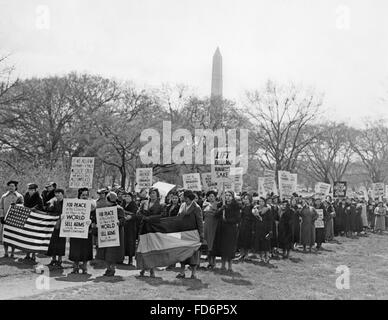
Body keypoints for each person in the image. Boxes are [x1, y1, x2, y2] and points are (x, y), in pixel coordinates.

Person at [95, 192, 126, 276]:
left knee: (113, 252)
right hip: (106, 234)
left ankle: (112, 268)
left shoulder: (119, 209)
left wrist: (118, 222)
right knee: (106, 252)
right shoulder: (105, 209)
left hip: (115, 235)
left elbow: (123, 220)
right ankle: (108, 268)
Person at [176, 190, 204, 279]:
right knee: (183, 253)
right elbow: (178, 217)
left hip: (193, 234)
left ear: (187, 197)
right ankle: (182, 272)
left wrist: (201, 234)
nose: (181, 197)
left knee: (193, 253)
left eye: (183, 196)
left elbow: (200, 222)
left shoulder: (196, 207)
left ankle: (193, 273)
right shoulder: (182, 205)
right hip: (183, 233)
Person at [212, 191, 241, 272]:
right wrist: (222, 209)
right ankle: (223, 265)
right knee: (223, 247)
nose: (227, 197)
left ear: (232, 197)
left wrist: (227, 220)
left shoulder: (236, 206)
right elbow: (215, 215)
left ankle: (230, 267)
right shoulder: (221, 204)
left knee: (230, 248)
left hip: (231, 229)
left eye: (229, 195)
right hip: (222, 229)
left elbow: (237, 218)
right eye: (226, 195)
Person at [138, 188, 164, 277]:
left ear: (157, 194)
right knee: (144, 248)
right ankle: (143, 268)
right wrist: (144, 217)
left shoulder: (161, 204)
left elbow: (162, 215)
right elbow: (139, 212)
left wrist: (150, 218)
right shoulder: (144, 203)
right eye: (151, 193)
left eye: (154, 193)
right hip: (144, 228)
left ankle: (152, 269)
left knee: (153, 249)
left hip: (154, 229)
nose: (152, 195)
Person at [68, 188, 95, 274]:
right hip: (75, 230)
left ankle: (84, 267)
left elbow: (94, 217)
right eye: (83, 195)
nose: (85, 197)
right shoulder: (73, 204)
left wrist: (92, 221)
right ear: (79, 195)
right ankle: (75, 267)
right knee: (75, 248)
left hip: (87, 231)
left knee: (86, 249)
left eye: (86, 195)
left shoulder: (92, 205)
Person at [0, 180, 24, 258]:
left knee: (13, 236)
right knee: (5, 236)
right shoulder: (4, 196)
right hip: (5, 219)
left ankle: (12, 253)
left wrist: (16, 205)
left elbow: (22, 207)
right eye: (9, 186)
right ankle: (6, 253)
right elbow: (1, 207)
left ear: (16, 187)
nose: (11, 187)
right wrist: (1, 216)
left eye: (12, 186)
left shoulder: (19, 196)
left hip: (14, 219)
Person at [23, 183, 44, 262]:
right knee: (27, 236)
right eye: (29, 189)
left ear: (35, 190)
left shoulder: (39, 197)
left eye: (32, 190)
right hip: (28, 217)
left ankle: (34, 255)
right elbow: (24, 204)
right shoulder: (26, 195)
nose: (30, 191)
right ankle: (27, 254)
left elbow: (40, 206)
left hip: (35, 218)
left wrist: (33, 209)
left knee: (34, 237)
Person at [46, 188, 66, 268]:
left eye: (59, 193)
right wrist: (50, 203)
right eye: (56, 193)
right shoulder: (53, 201)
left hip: (63, 224)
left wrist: (60, 220)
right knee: (53, 242)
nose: (57, 194)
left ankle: (60, 260)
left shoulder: (66, 202)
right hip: (53, 223)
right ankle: (53, 259)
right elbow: (49, 209)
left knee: (61, 242)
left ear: (62, 194)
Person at [252, 197, 272, 263]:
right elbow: (254, 220)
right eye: (260, 201)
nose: (261, 203)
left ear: (265, 202)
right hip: (258, 228)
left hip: (265, 228)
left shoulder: (267, 210)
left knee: (265, 244)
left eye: (262, 201)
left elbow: (270, 220)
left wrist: (270, 230)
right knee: (259, 244)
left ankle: (267, 256)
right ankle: (261, 257)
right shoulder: (256, 209)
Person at [202, 190, 219, 269]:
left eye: (212, 196)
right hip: (206, 226)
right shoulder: (204, 205)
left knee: (213, 244)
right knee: (207, 244)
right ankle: (209, 262)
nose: (211, 197)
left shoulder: (217, 204)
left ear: (215, 197)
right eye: (209, 196)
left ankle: (214, 262)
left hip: (214, 226)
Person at [122, 192, 138, 266]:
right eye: (126, 196)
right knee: (123, 241)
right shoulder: (123, 204)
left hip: (131, 226)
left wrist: (131, 217)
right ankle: (121, 257)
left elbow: (136, 214)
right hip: (124, 225)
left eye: (129, 196)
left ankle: (130, 259)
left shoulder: (134, 205)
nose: (127, 198)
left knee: (130, 242)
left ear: (132, 198)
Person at [237, 193, 254, 261]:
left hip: (249, 225)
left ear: (250, 200)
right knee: (241, 239)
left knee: (247, 240)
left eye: (247, 199)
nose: (245, 200)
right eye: (245, 199)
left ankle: (246, 254)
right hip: (242, 224)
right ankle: (241, 254)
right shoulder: (243, 207)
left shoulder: (252, 207)